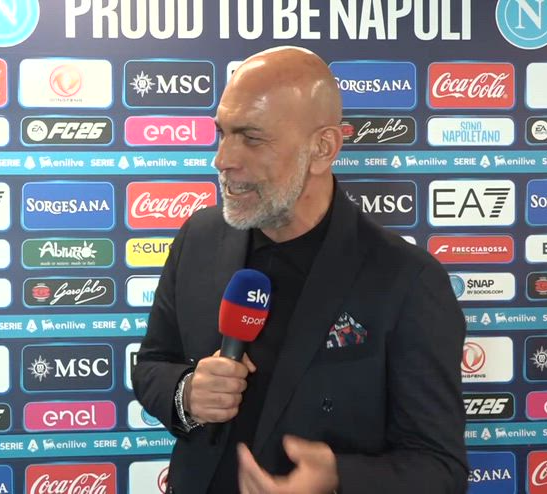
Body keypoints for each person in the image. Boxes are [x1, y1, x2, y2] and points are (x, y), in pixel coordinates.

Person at [132, 46, 468, 494]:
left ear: (322, 149)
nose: (223, 159)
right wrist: (187, 392)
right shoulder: (199, 237)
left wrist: (336, 479)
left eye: (251, 138)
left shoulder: (407, 279)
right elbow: (153, 363)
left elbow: (439, 467)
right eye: (222, 133)